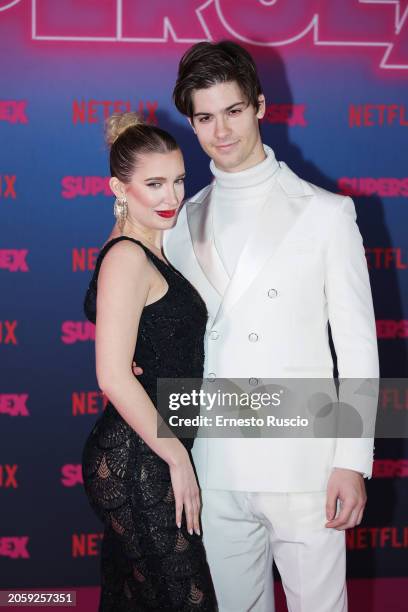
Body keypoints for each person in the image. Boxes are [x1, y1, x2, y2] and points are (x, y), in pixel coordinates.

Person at [161, 41, 379, 611]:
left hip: (303, 464)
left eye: (233, 111)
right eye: (205, 117)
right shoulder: (180, 222)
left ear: (259, 105)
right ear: (191, 122)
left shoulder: (325, 213)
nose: (221, 131)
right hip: (214, 463)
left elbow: (357, 348)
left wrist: (351, 462)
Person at [81, 112, 217, 611]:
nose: (172, 197)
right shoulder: (127, 257)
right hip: (137, 458)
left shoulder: (152, 250)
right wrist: (177, 459)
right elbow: (113, 374)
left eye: (179, 180)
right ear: (119, 187)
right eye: (154, 184)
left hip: (152, 452)